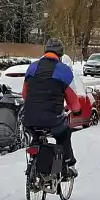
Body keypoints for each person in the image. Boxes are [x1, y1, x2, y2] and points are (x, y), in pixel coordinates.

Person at [21, 38, 83, 177]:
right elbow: (72, 97)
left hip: (29, 118)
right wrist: (76, 110)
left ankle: (34, 165)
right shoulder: (64, 71)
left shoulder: (32, 67)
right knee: (64, 134)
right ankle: (68, 164)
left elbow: (24, 94)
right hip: (52, 119)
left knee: (35, 135)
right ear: (60, 55)